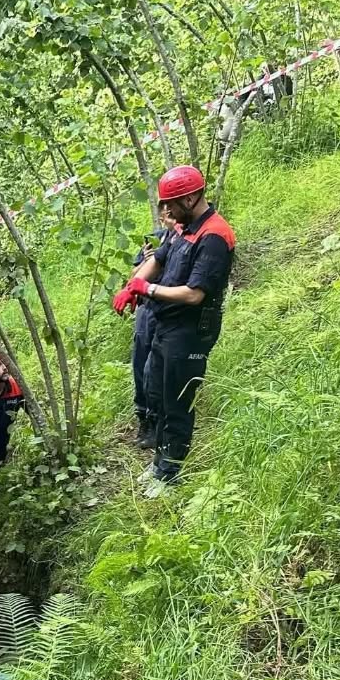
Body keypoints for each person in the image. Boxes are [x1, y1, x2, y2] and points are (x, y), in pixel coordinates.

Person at [114, 165, 235, 493]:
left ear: (191, 198)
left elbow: (194, 294)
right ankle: (159, 463)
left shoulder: (214, 236)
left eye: (171, 204)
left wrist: (148, 290)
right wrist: (134, 284)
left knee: (177, 402)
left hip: (190, 331)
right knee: (156, 393)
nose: (166, 211)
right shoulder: (183, 228)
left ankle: (169, 474)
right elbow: (159, 259)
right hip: (166, 325)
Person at [115, 213, 177, 451]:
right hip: (147, 307)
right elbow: (133, 276)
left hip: (171, 306)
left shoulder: (187, 239)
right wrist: (147, 261)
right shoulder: (154, 240)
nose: (169, 217)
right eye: (165, 212)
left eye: (172, 212)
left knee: (159, 366)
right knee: (141, 363)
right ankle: (144, 419)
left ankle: (159, 419)